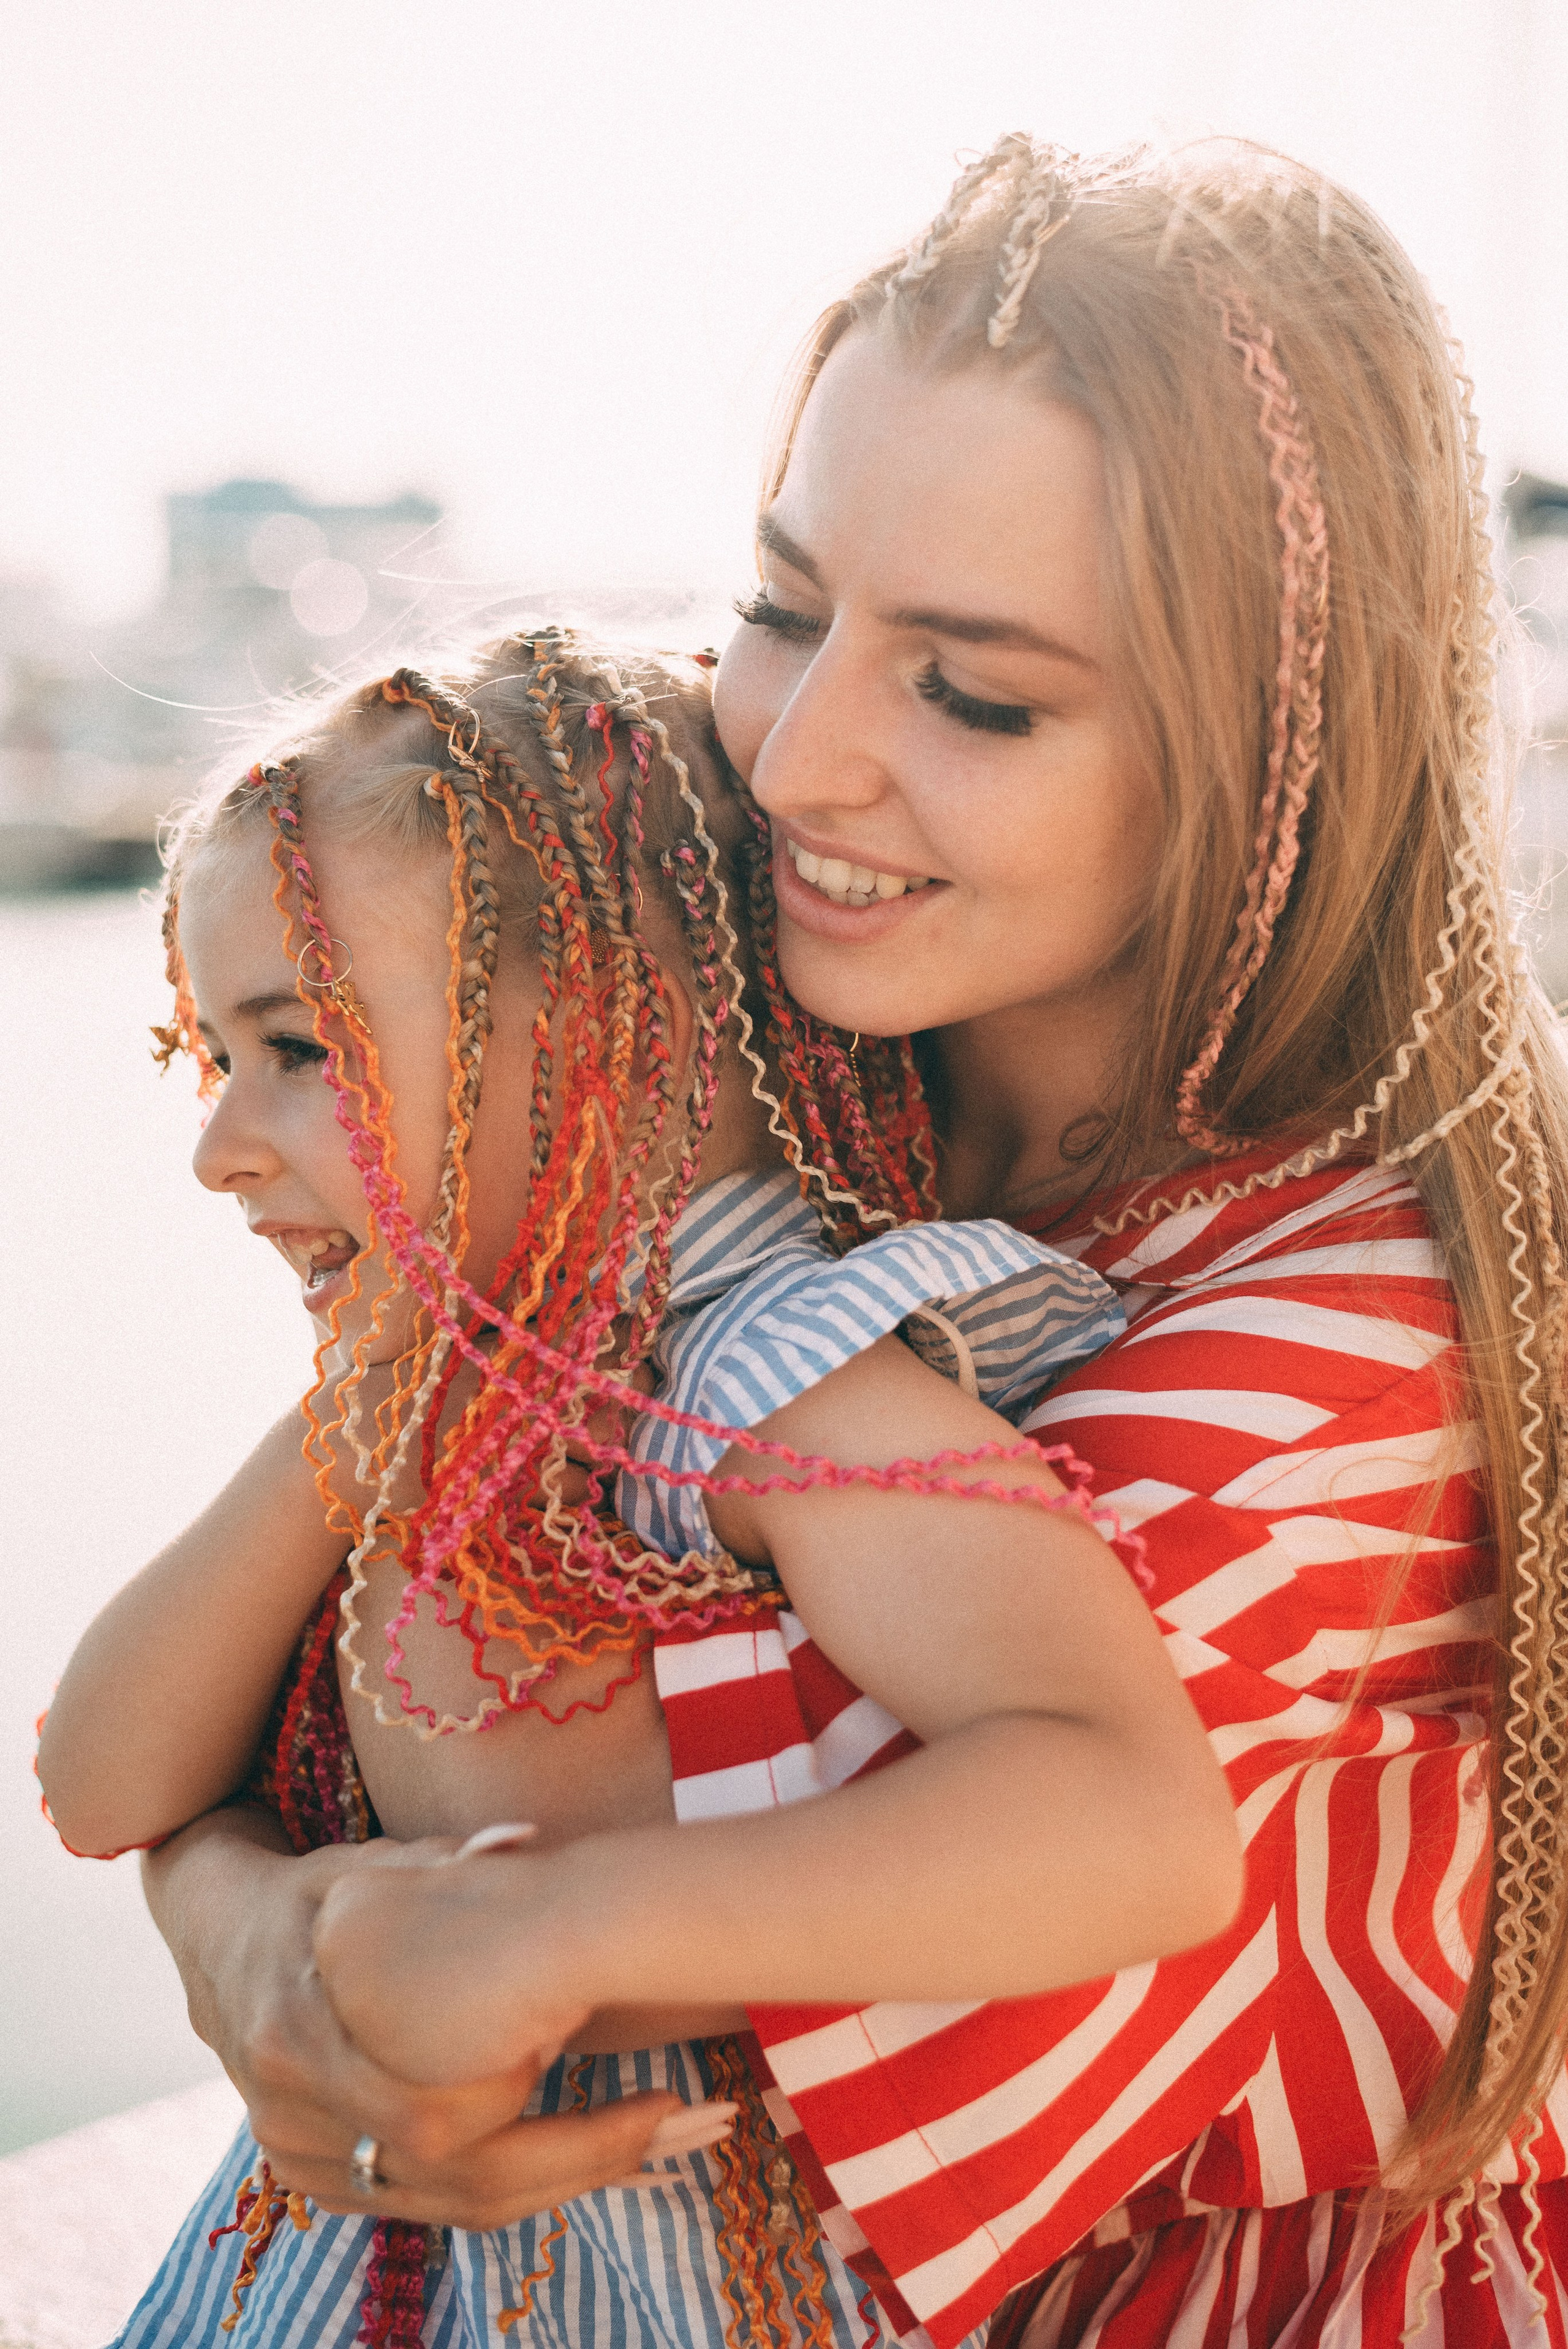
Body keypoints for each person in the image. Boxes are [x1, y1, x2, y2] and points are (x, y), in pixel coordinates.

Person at [102, 125, 1568, 2346]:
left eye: (974, 692)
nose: (791, 763)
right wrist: (234, 1930)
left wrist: (334, 1915)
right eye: (780, 610)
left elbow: (566, 1822)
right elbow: (353, 1716)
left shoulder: (1340, 1382)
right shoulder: (763, 1040)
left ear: (1284, 742)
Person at [38, 632, 1235, 2348]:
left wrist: (560, 1923)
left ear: (618, 1031)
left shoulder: (764, 1373)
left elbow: (1134, 1816)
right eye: (213, 1060)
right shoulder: (421, 1391)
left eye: (297, 1047)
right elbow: (100, 1772)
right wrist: (355, 1419)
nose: (220, 1143)